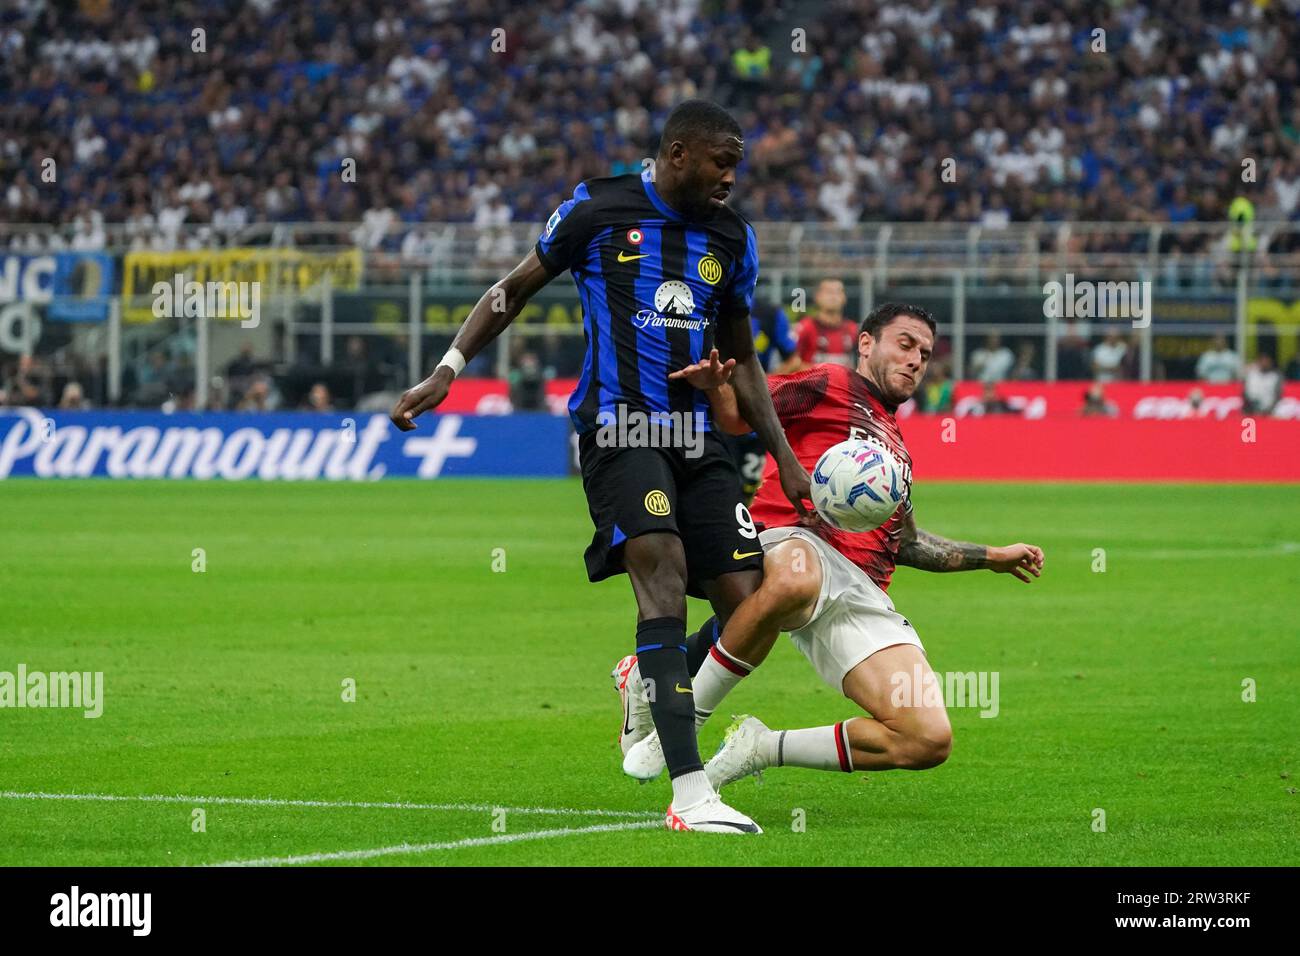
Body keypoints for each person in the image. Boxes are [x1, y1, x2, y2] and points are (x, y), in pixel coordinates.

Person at [390, 100, 810, 834]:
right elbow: (510, 291)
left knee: (752, 604)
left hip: (697, 438)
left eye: (736, 166)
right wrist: (447, 369)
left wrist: (784, 456)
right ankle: (689, 794)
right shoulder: (596, 208)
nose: (731, 178)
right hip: (620, 427)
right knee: (663, 573)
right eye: (722, 162)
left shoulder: (731, 237)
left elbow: (744, 362)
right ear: (678, 153)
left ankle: (645, 678)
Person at [618, 303, 1044, 787]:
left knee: (926, 738)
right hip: (791, 543)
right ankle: (683, 723)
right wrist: (718, 386)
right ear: (867, 343)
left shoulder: (896, 452)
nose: (915, 360)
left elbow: (906, 544)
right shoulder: (830, 383)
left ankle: (759, 747)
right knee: (798, 576)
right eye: (905, 344)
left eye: (924, 354)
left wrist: (992, 558)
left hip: (861, 590)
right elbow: (742, 417)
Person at [790, 278, 858, 370]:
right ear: (817, 296)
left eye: (838, 292)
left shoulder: (853, 329)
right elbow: (790, 363)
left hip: (844, 384)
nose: (833, 296)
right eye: (829, 292)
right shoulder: (804, 327)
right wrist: (825, 373)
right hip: (811, 384)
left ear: (844, 297)